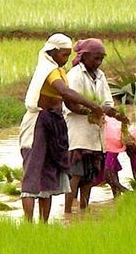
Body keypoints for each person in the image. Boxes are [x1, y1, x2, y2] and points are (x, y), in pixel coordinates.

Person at [19, 34, 117, 222]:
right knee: (32, 175)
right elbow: (65, 91)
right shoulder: (49, 70)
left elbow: (69, 103)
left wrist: (90, 112)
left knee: (48, 174)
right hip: (40, 122)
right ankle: (28, 226)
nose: (66, 59)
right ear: (53, 52)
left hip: (54, 122)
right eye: (64, 55)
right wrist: (93, 106)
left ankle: (44, 225)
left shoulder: (60, 71)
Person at [64, 38, 118, 213]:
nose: (99, 62)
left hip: (95, 134)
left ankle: (84, 211)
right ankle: (67, 212)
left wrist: (106, 110)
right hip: (78, 133)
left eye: (101, 59)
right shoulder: (75, 75)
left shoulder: (100, 76)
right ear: (84, 56)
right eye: (95, 58)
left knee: (89, 175)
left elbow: (108, 101)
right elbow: (70, 104)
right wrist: (93, 110)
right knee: (77, 174)